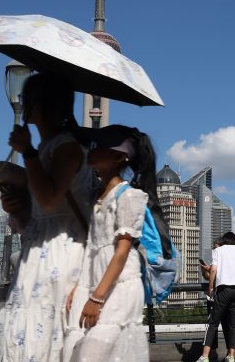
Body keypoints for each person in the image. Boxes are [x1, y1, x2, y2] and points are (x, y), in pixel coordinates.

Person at [0, 72, 95, 362]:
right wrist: (16, 205)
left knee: (48, 325)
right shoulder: (49, 146)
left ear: (45, 104)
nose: (24, 105)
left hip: (61, 249)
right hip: (40, 247)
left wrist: (28, 152)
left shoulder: (67, 147)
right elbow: (38, 207)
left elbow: (49, 200)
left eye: (28, 98)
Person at [64, 125, 155, 361]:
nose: (94, 149)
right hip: (93, 279)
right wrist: (80, 286)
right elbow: (92, 247)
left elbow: (122, 252)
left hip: (119, 284)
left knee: (93, 352)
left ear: (118, 156)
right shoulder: (97, 196)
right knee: (75, 348)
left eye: (101, 146)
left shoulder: (129, 195)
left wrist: (96, 297)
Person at [197, 231, 235, 362]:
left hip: (222, 290)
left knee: (213, 322)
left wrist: (210, 288)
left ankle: (205, 356)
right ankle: (231, 356)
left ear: (224, 241)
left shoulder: (219, 251)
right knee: (234, 323)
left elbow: (213, 270)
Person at [201, 238, 223, 356]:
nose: (214, 249)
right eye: (213, 247)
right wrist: (205, 271)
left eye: (215, 247)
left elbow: (220, 273)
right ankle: (212, 351)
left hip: (221, 295)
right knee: (212, 325)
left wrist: (209, 269)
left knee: (215, 324)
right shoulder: (215, 259)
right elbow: (209, 277)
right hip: (213, 297)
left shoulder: (223, 258)